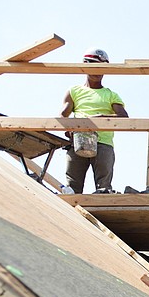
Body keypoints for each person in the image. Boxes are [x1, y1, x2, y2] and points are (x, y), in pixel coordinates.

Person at [60, 48, 128, 194]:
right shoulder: (74, 91)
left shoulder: (111, 95)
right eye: (94, 66)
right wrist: (67, 128)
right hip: (78, 141)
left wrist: (101, 119)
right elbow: (62, 116)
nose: (98, 71)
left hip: (103, 143)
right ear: (85, 65)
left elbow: (124, 117)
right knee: (72, 189)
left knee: (103, 188)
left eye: (101, 68)